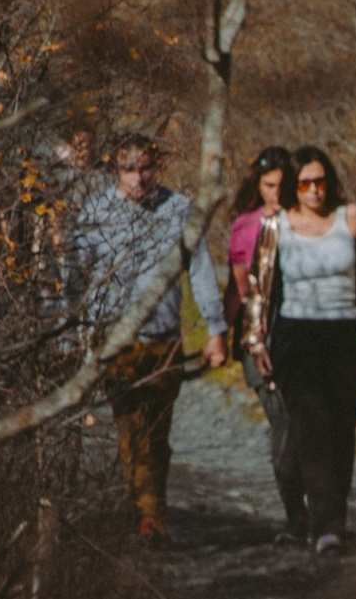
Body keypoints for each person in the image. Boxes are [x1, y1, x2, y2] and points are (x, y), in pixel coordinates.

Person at [63, 126, 230, 545]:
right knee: (129, 429)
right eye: (129, 169)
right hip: (117, 344)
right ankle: (145, 515)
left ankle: (150, 510)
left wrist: (215, 329)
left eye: (146, 168)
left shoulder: (178, 210)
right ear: (114, 169)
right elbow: (76, 281)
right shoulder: (95, 215)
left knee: (157, 431)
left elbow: (202, 271)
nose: (139, 178)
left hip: (165, 340)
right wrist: (72, 338)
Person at [240, 146, 356, 552]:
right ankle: (323, 525)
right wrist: (256, 339)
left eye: (320, 182)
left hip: (346, 334)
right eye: (305, 183)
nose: (314, 191)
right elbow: (259, 287)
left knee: (340, 427)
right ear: (294, 187)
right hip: (296, 335)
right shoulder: (276, 226)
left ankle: (336, 516)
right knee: (309, 427)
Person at [227, 148, 303, 541]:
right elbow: (243, 290)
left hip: (301, 333)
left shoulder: (303, 221)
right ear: (257, 186)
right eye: (269, 185)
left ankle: (319, 512)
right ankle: (295, 514)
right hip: (262, 335)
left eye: (282, 185)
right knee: (283, 424)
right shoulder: (246, 227)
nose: (276, 193)